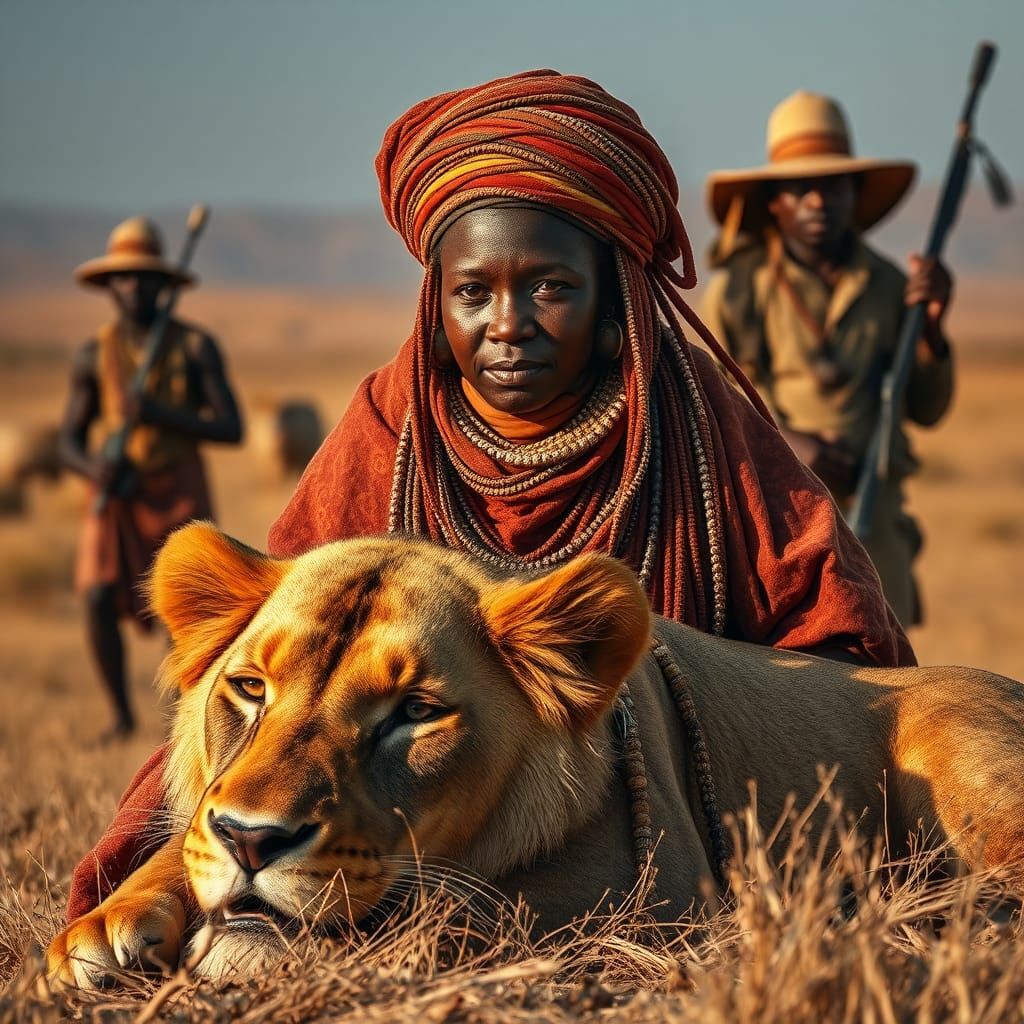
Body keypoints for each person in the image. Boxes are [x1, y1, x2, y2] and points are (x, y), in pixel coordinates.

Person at [65, 72, 912, 923]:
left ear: (616, 296)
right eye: (473, 291)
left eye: (550, 287)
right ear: (438, 305)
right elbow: (282, 654)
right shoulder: (387, 426)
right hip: (376, 826)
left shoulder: (695, 424)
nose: (507, 323)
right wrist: (160, 874)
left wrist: (731, 752)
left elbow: (836, 658)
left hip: (676, 799)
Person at [703, 91, 954, 627]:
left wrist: (930, 325)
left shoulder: (891, 286)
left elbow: (927, 410)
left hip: (873, 516)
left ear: (855, 193)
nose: (818, 201)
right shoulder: (740, 291)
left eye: (833, 185)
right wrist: (791, 446)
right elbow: (708, 404)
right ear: (775, 201)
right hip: (778, 516)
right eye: (801, 188)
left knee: (884, 671)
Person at [59, 216, 243, 740]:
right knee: (96, 595)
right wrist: (94, 468)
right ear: (108, 287)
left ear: (164, 284)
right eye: (123, 278)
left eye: (144, 277)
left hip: (179, 486)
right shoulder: (93, 354)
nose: (133, 287)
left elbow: (231, 427)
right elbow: (68, 440)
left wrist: (161, 413)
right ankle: (119, 714)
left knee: (183, 605)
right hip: (116, 491)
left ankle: (180, 720)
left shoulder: (194, 347)